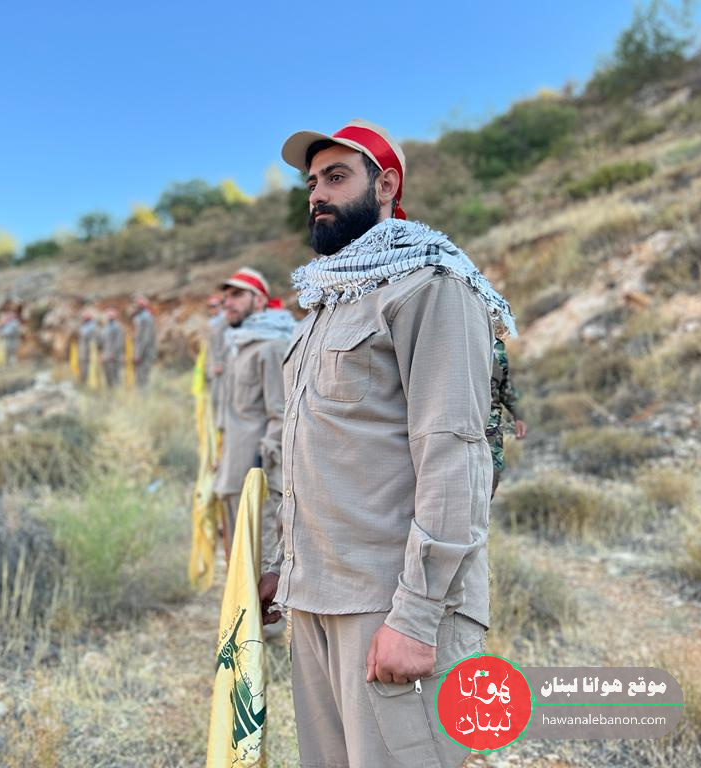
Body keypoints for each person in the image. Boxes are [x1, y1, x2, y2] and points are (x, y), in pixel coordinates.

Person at [260, 119, 517, 768]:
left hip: (389, 603)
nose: (318, 193)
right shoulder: (326, 302)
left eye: (336, 177)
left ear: (386, 186)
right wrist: (281, 565)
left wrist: (417, 616)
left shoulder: (431, 286)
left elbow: (455, 456)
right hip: (316, 596)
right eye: (311, 183)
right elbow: (311, 451)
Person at [213, 268, 294, 572]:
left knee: (258, 571)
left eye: (237, 295)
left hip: (256, 479)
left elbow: (281, 413)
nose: (228, 302)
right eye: (226, 296)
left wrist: (263, 466)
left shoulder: (272, 346)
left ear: (259, 300)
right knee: (237, 570)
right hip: (232, 470)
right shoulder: (239, 345)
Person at [487, 337, 527, 497]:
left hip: (491, 427)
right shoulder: (457, 339)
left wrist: (518, 415)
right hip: (459, 423)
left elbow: (505, 386)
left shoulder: (497, 347)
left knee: (492, 475)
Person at [205, 295, 228, 426]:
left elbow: (224, 344)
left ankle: (221, 426)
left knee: (221, 399)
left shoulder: (225, 322)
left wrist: (220, 363)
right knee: (214, 399)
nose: (212, 309)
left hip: (221, 369)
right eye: (210, 306)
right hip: (213, 367)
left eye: (215, 306)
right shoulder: (212, 323)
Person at [132, 296, 156, 388]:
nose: (134, 308)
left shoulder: (145, 319)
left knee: (142, 378)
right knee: (141, 378)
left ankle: (143, 396)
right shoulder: (142, 317)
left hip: (145, 353)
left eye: (136, 306)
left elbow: (144, 339)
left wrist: (138, 355)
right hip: (143, 352)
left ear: (140, 306)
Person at [100, 308, 124, 389]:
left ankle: (117, 391)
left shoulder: (117, 327)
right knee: (108, 375)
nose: (109, 318)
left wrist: (113, 354)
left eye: (111, 316)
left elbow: (119, 342)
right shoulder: (105, 328)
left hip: (114, 357)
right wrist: (102, 355)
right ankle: (110, 390)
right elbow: (102, 343)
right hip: (106, 356)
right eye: (108, 316)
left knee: (115, 374)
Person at [76, 310, 99, 385]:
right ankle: (83, 382)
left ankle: (87, 383)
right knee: (82, 367)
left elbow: (93, 340)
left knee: (87, 368)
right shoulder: (84, 326)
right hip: (83, 351)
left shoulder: (92, 327)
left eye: (84, 318)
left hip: (88, 352)